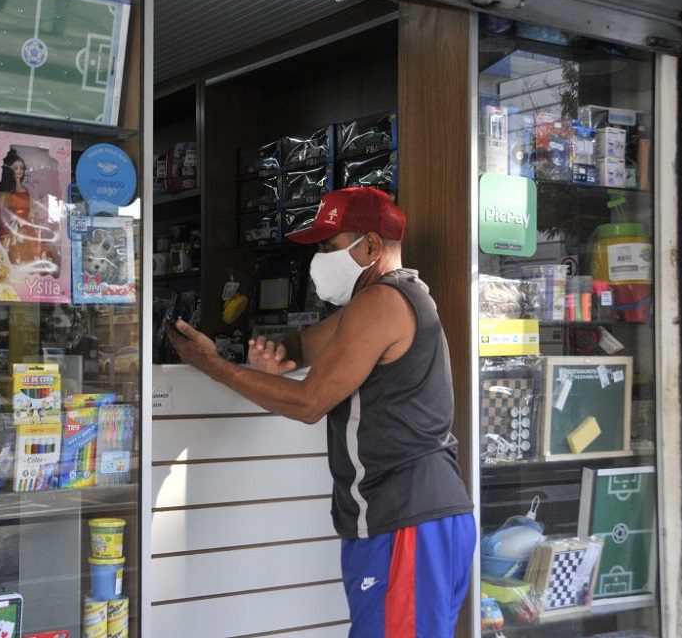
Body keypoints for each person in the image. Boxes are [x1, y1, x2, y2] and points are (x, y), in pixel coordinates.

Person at [167, 186, 474, 637]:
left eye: (329, 247)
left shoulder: (382, 303)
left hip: (406, 522)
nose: (319, 260)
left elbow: (310, 402)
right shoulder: (381, 299)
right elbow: (303, 345)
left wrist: (215, 367)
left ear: (371, 246)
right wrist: (279, 354)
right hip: (410, 520)